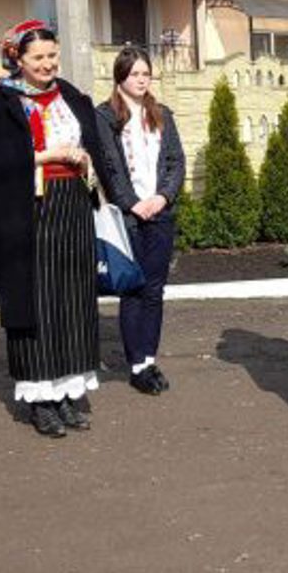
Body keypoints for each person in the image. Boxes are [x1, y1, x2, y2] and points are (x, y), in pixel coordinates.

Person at [0, 21, 110, 437]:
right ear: (17, 59)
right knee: (37, 303)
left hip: (72, 209)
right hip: (26, 214)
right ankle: (40, 401)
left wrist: (86, 163)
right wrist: (45, 156)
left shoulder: (73, 99)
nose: (47, 64)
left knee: (72, 302)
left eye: (52, 55)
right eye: (38, 57)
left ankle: (66, 391)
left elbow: (97, 150)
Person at [96, 47, 185, 395]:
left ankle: (149, 358)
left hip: (160, 212)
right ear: (120, 77)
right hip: (128, 216)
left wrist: (162, 197)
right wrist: (133, 203)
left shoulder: (161, 114)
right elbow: (108, 165)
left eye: (146, 74)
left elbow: (176, 162)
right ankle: (136, 364)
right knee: (133, 288)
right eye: (134, 74)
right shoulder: (104, 117)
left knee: (154, 289)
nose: (141, 79)